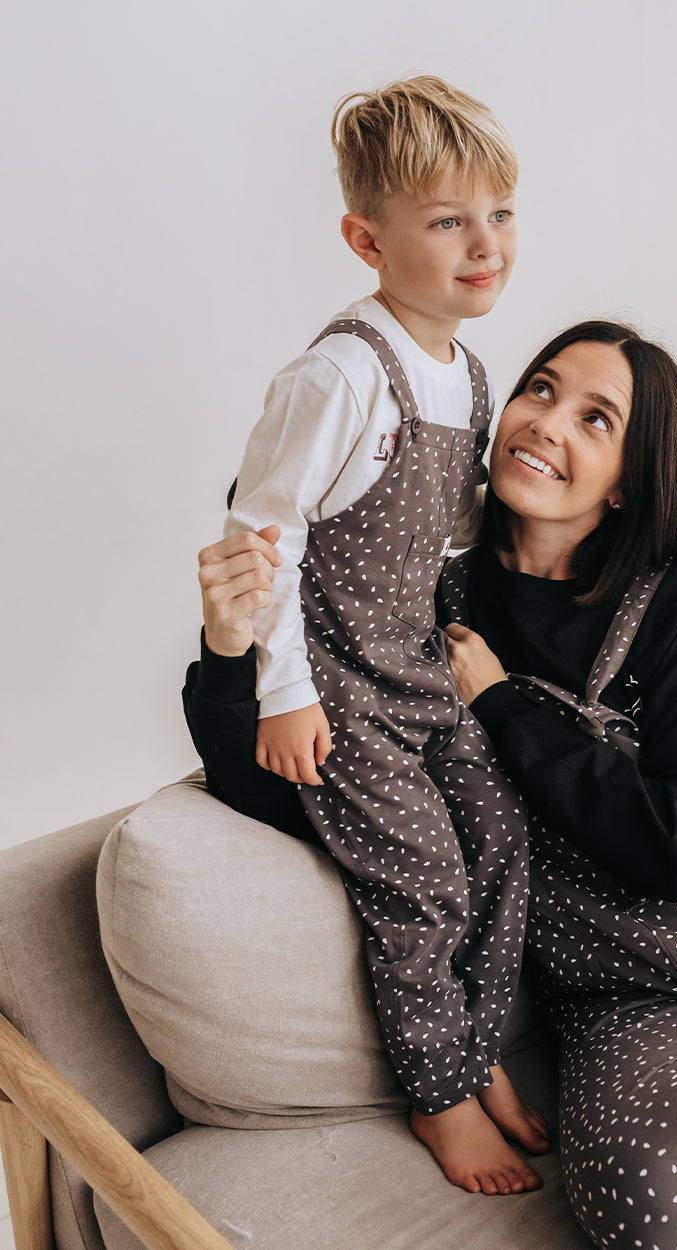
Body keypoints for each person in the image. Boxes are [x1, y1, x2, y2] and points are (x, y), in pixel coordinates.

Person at [187, 321, 677, 1248]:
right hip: (627, 989)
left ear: (628, 479)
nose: (546, 423)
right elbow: (285, 791)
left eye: (595, 417)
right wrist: (227, 645)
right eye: (538, 390)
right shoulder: (416, 607)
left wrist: (500, 706)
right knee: (656, 1219)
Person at [215, 75, 548, 1195]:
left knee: (501, 835)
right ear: (368, 238)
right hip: (340, 682)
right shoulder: (342, 372)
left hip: (415, 669)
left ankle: (479, 1042)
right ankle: (438, 1090)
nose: (483, 244)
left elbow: (442, 544)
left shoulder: (470, 372)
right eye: (447, 220)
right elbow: (263, 536)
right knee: (420, 876)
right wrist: (282, 693)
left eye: (497, 213)